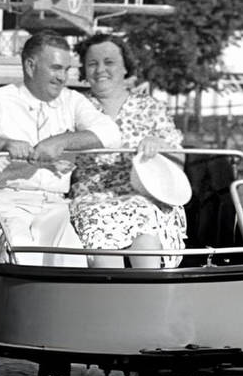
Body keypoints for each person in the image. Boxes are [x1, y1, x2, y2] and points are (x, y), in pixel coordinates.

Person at [0, 30, 121, 266]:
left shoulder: (73, 101)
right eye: (56, 68)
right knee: (19, 249)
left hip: (55, 204)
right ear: (30, 66)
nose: (62, 78)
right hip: (4, 201)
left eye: (66, 70)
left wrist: (61, 141)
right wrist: (3, 143)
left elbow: (111, 134)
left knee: (71, 257)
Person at [67, 33, 187, 269]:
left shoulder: (150, 107)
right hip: (92, 198)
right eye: (93, 63)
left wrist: (158, 145)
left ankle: (151, 296)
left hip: (147, 197)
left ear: (125, 68)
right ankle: (110, 298)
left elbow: (178, 162)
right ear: (84, 70)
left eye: (109, 62)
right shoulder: (74, 106)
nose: (100, 69)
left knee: (145, 234)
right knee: (101, 244)